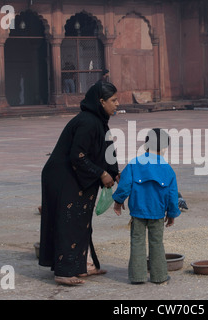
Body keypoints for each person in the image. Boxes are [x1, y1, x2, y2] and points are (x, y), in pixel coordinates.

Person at [39, 81, 120, 286]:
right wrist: (101, 174)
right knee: (69, 221)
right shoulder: (87, 122)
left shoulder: (100, 122)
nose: (117, 104)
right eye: (113, 100)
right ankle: (64, 271)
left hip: (77, 175)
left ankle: (84, 266)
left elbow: (106, 151)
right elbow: (78, 156)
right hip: (63, 176)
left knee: (82, 221)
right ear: (101, 102)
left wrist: (115, 173)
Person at [112, 128, 181, 285]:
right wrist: (171, 214)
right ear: (164, 148)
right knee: (157, 243)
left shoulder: (134, 164)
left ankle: (138, 277)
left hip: (137, 212)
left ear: (146, 145)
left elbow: (124, 186)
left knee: (137, 242)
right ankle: (160, 276)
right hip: (157, 213)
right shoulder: (168, 170)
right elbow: (172, 195)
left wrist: (118, 201)